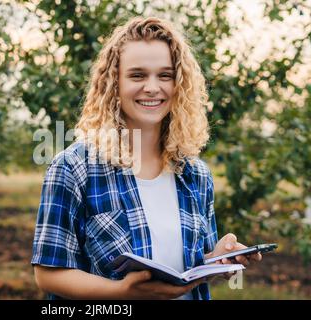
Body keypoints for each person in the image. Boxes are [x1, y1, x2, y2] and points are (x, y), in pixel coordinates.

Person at [31, 16, 261, 300]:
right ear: (114, 84)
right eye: (138, 75)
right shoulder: (74, 168)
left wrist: (219, 259)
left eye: (165, 75)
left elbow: (189, 270)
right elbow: (47, 273)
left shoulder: (196, 175)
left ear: (179, 84)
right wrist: (121, 292)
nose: (153, 87)